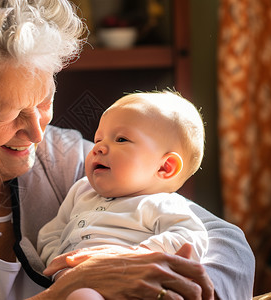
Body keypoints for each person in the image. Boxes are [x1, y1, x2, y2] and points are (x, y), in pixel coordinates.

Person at [0, 0, 255, 299]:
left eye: (44, 100)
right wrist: (71, 288)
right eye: (8, 112)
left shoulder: (63, 156)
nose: (35, 132)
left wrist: (162, 282)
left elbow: (230, 248)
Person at [38, 92, 209, 300]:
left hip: (131, 285)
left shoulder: (162, 203)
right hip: (71, 282)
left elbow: (190, 237)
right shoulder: (81, 191)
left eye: (121, 139)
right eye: (98, 139)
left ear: (165, 167)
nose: (98, 147)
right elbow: (52, 232)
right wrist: (58, 263)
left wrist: (138, 257)